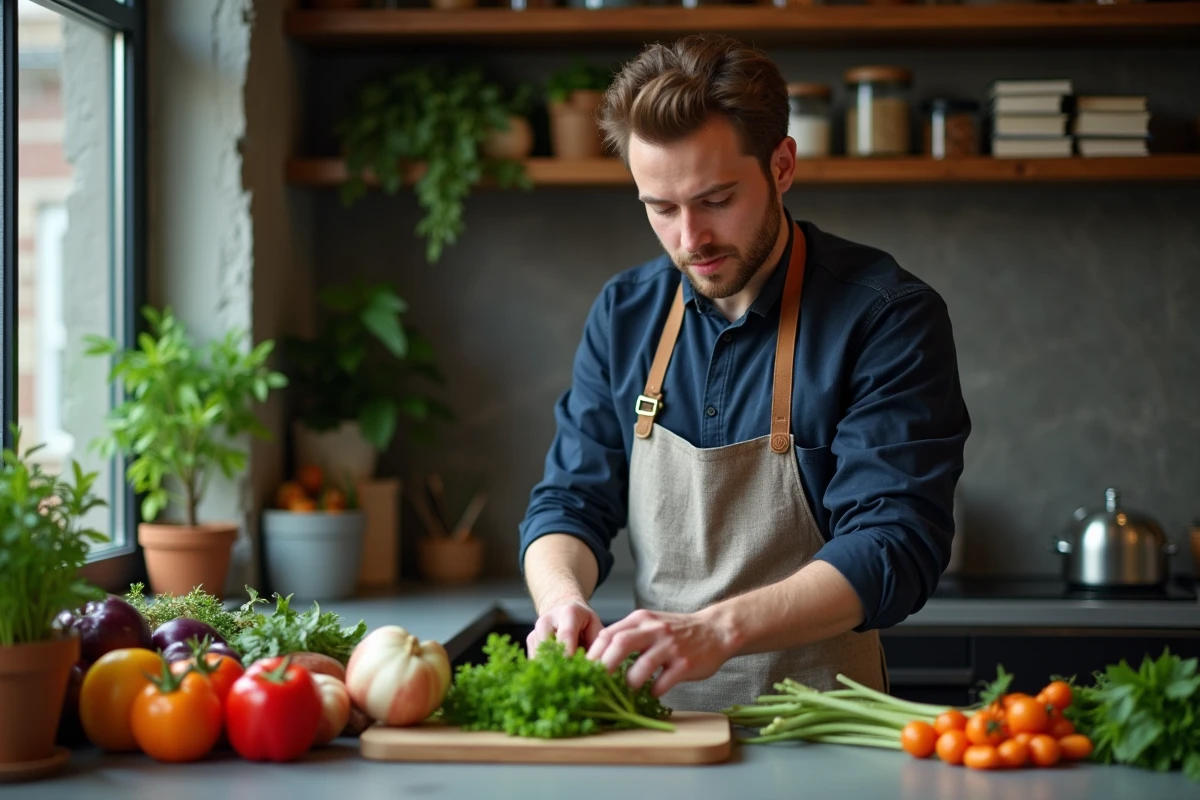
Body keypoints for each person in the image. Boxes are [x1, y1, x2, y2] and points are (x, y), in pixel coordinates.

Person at [517, 34, 971, 714]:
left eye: (716, 199)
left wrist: (716, 630)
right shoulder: (625, 313)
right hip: (662, 731)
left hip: (822, 732)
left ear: (782, 166)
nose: (689, 239)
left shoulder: (885, 317)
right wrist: (561, 599)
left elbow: (894, 546)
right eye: (660, 208)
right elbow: (569, 502)